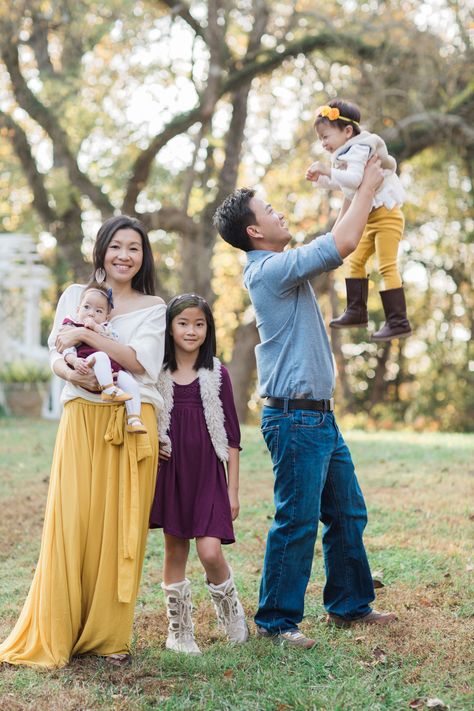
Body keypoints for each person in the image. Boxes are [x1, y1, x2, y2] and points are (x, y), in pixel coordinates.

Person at [213, 159, 397, 649]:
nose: (280, 214)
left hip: (317, 416)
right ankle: (276, 621)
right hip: (295, 418)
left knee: (347, 512)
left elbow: (332, 239)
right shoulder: (269, 272)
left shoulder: (281, 270)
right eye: (270, 210)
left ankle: (349, 605)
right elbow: (341, 245)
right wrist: (369, 185)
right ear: (255, 230)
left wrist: (347, 190)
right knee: (296, 519)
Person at [0, 215, 165, 668]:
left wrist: (88, 334)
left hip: (132, 420)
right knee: (70, 522)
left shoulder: (154, 307)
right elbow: (57, 352)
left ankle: (108, 637)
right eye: (116, 246)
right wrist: (70, 369)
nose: (124, 256)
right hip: (79, 416)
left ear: (143, 256)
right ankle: (58, 629)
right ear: (101, 250)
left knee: (119, 528)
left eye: (133, 248)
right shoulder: (75, 295)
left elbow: (139, 361)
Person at [150, 293, 248, 654]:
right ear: (170, 328)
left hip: (208, 474)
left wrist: (233, 491)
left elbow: (233, 439)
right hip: (172, 473)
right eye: (183, 323)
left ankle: (231, 613)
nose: (191, 330)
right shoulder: (156, 373)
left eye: (199, 324)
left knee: (209, 551)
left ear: (208, 329)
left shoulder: (216, 374)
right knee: (175, 549)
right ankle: (180, 631)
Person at [306, 98, 411, 341]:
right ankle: (356, 311)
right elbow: (346, 183)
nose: (323, 144)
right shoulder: (347, 151)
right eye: (320, 139)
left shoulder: (361, 148)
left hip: (387, 214)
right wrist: (321, 180)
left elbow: (352, 179)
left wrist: (326, 170)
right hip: (371, 219)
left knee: (386, 265)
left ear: (347, 131)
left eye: (325, 137)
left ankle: (398, 321)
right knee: (355, 262)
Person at [62, 281, 147, 433]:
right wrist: (74, 361)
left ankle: (134, 418)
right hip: (87, 364)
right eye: (86, 307)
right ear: (77, 309)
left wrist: (96, 328)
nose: (91, 313)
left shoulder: (106, 329)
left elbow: (114, 340)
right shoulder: (72, 326)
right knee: (100, 355)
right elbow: (65, 350)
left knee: (130, 383)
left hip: (111, 370)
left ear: (106, 317)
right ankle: (108, 390)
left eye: (99, 311)